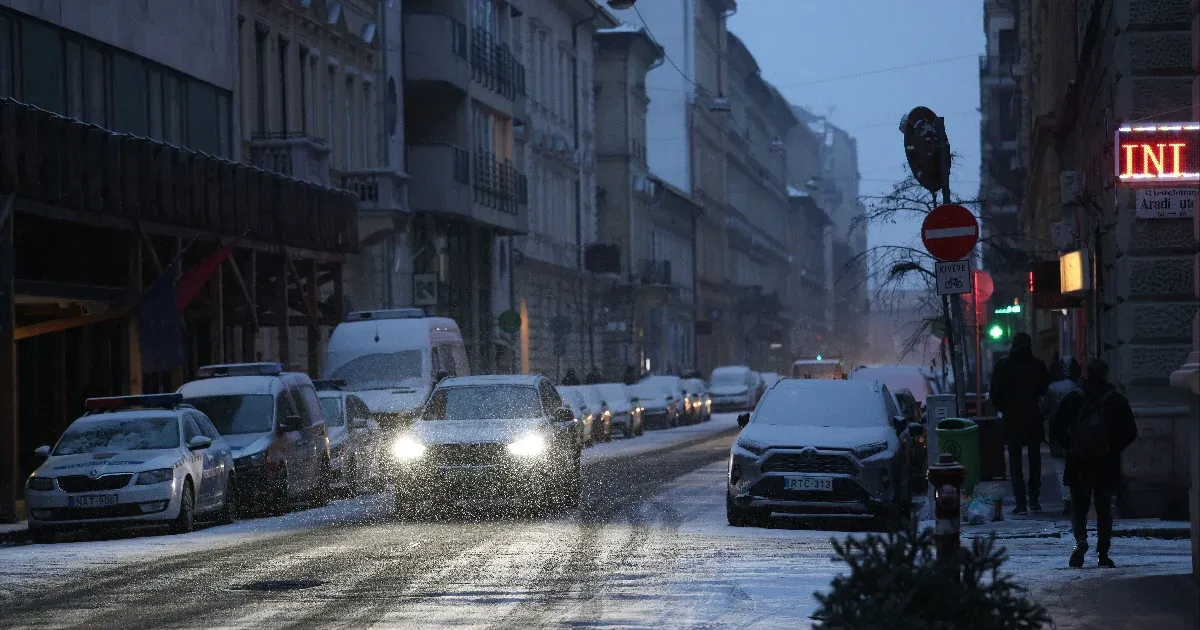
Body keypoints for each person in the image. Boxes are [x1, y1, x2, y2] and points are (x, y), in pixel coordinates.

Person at [1052, 359, 1137, 568]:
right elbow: (1131, 431)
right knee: (1104, 509)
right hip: (1105, 462)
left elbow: (1057, 428)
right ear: (1106, 374)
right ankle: (1103, 554)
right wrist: (1112, 447)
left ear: (1086, 374)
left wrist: (1071, 446)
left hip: (1079, 461)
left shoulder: (1074, 397)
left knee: (1079, 507)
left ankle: (1080, 540)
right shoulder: (1116, 399)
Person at [989, 332, 1050, 515]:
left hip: (1012, 418)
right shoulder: (1037, 365)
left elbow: (995, 394)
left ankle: (1021, 503)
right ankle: (1034, 500)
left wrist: (1006, 408)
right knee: (1034, 460)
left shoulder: (1004, 365)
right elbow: (1045, 389)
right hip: (1033, 417)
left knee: (1015, 463)